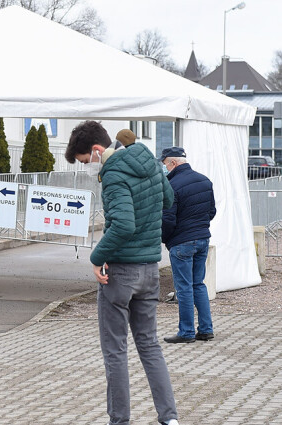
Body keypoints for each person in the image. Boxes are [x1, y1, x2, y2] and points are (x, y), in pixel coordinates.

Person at [65, 121, 179, 425]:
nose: (89, 168)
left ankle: (119, 420)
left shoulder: (113, 175)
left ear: (97, 150)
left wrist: (96, 257)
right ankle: (169, 418)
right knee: (150, 345)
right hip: (150, 271)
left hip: (121, 273)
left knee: (115, 351)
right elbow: (168, 200)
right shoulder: (151, 164)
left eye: (85, 161)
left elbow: (124, 225)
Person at [160, 147, 216, 344]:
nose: (164, 167)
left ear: (173, 163)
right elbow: (212, 211)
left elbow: (167, 219)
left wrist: (165, 239)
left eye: (165, 163)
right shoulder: (204, 180)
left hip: (181, 242)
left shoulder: (172, 185)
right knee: (198, 284)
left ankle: (186, 332)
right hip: (202, 239)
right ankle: (206, 329)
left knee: (183, 287)